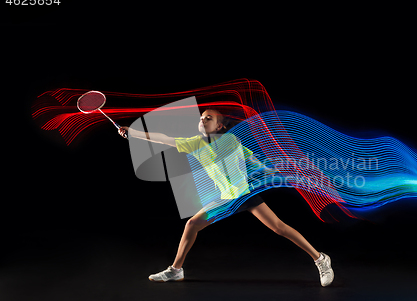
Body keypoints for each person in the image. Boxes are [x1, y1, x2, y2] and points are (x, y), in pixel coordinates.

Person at [118, 109, 334, 287]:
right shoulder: (194, 143)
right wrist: (133, 133)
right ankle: (176, 270)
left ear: (219, 126)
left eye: (208, 118)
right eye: (201, 117)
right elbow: (163, 139)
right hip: (224, 198)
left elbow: (249, 157)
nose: (202, 120)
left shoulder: (230, 140)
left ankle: (320, 259)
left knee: (278, 227)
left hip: (243, 194)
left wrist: (267, 170)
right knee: (192, 224)